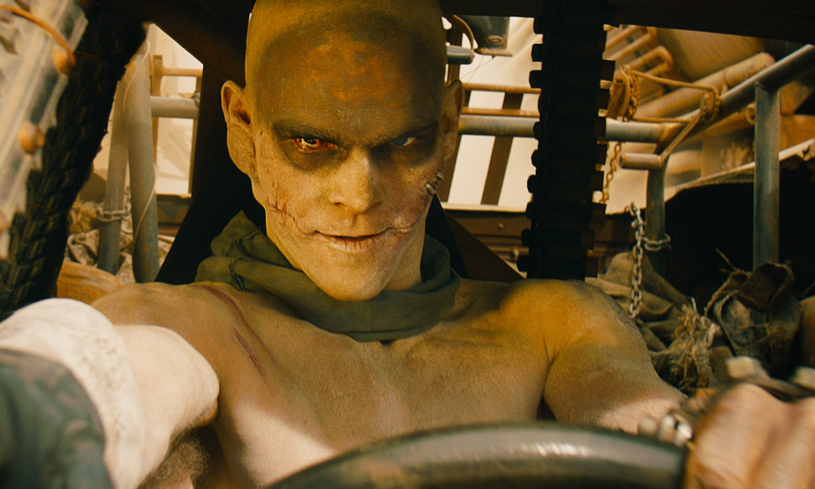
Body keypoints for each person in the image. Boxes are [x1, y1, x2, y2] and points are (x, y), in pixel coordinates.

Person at [1, 0, 813, 487]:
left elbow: (631, 406)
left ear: (449, 127)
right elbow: (125, 370)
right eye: (311, 143)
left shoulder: (551, 324)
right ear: (243, 129)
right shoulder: (198, 327)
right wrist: (48, 397)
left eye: (402, 143)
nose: (358, 195)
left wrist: (731, 440)